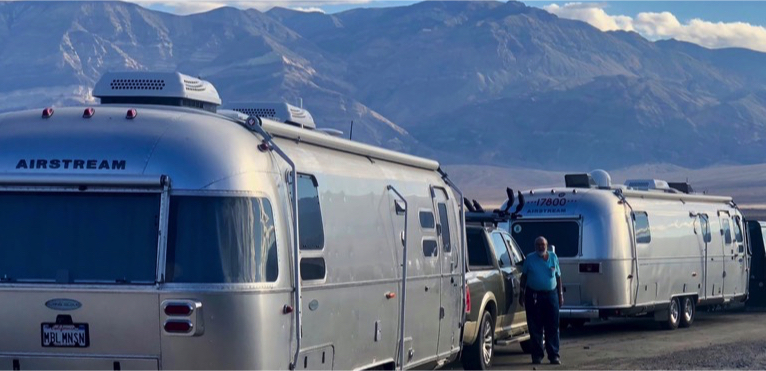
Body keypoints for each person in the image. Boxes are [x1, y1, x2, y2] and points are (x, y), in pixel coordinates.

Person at [519, 236, 563, 365]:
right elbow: (524, 277)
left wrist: (560, 294)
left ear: (547, 246)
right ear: (535, 246)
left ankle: (554, 355)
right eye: (538, 245)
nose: (540, 247)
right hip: (534, 296)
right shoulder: (530, 258)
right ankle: (537, 356)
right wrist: (522, 294)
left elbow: (558, 277)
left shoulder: (553, 257)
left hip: (551, 296)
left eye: (542, 245)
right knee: (535, 327)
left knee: (553, 326)